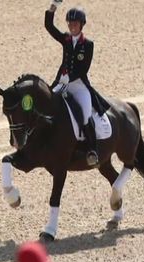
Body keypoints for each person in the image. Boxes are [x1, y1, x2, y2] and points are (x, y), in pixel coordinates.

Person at [45, 0, 110, 167]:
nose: (72, 26)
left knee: (86, 114)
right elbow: (49, 26)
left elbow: (83, 69)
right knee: (46, 105)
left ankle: (92, 150)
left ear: (81, 24)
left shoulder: (88, 44)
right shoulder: (65, 39)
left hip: (79, 85)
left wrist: (70, 78)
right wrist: (53, 7)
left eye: (75, 23)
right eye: (70, 23)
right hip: (62, 82)